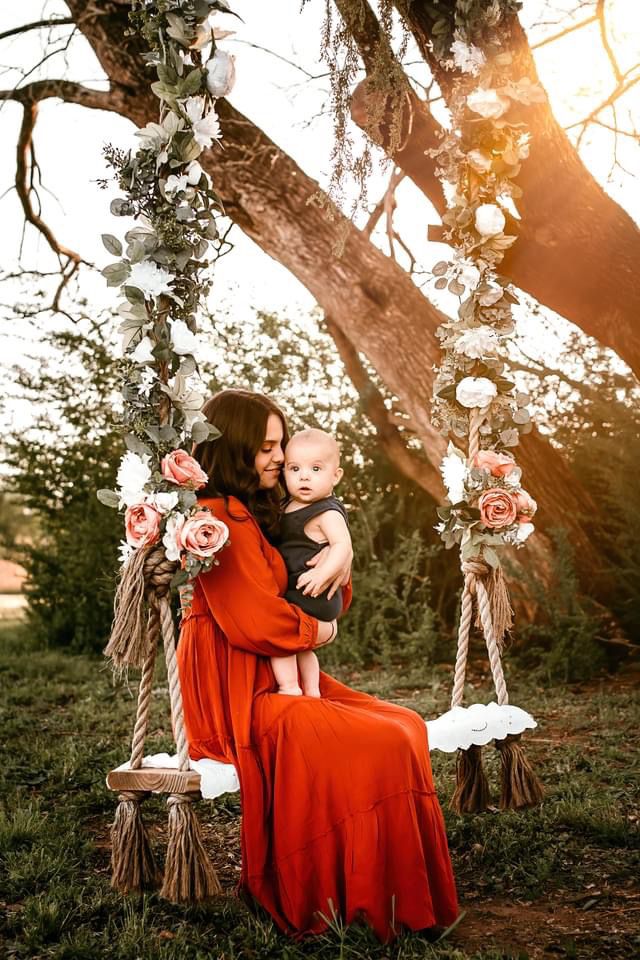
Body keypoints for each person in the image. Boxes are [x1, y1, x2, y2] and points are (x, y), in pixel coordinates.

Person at [177, 388, 458, 942]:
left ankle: (383, 889)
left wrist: (342, 550)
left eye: (281, 445)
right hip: (236, 688)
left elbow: (311, 584)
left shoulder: (255, 511)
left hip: (267, 671)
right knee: (382, 741)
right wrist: (320, 629)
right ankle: (342, 892)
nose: (279, 458)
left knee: (403, 724)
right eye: (267, 447)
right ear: (234, 448)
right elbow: (257, 622)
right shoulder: (214, 520)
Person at [272, 427, 352, 698]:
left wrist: (322, 574)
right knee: (301, 647)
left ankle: (289, 687)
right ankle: (312, 691)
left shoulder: (326, 511)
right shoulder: (287, 504)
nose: (304, 476)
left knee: (278, 636)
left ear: (335, 475)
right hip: (300, 589)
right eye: (294, 469)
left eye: (316, 469)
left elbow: (343, 546)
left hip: (313, 590)